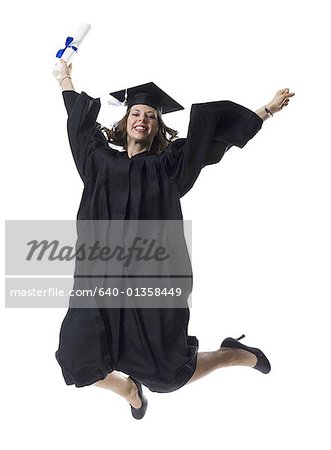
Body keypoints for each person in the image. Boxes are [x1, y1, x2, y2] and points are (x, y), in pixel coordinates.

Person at [53, 59, 295, 420]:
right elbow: (78, 123)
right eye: (137, 112)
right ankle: (128, 389)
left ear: (157, 127)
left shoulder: (169, 166)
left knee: (168, 375)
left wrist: (266, 111)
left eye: (151, 116)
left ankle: (233, 354)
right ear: (125, 120)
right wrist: (65, 78)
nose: (143, 119)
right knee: (75, 356)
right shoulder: (97, 160)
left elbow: (214, 142)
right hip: (97, 276)